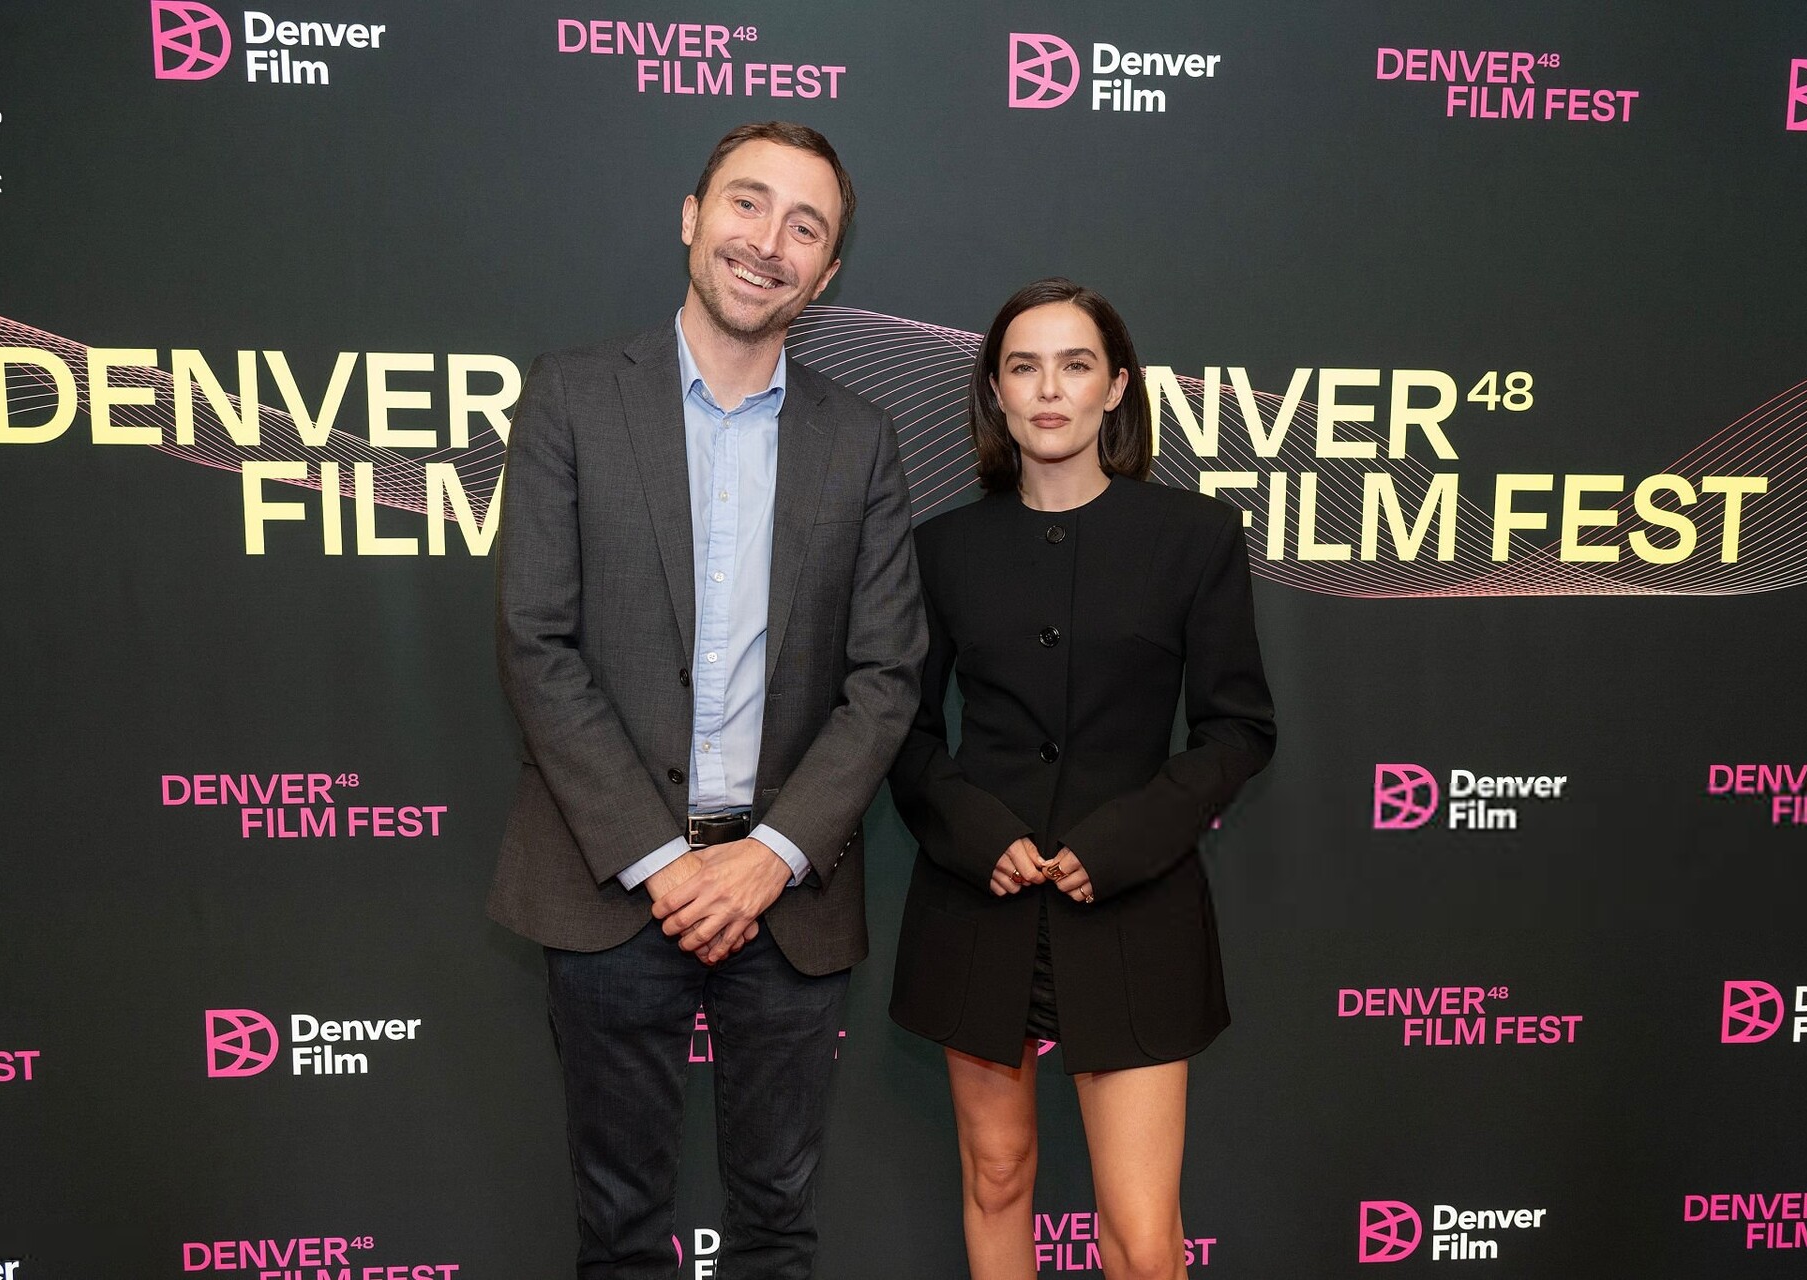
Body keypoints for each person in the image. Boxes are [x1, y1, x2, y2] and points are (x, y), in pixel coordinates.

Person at [488, 121, 925, 1280]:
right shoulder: (573, 396)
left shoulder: (861, 438)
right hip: (611, 884)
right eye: (747, 202)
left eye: (804, 226)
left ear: (826, 273)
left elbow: (886, 673)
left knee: (777, 1227)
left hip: (787, 898)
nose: (768, 241)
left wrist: (769, 855)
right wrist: (663, 860)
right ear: (692, 217)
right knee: (620, 1228)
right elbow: (536, 640)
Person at [887, 278, 1276, 1280]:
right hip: (981, 900)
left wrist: (1123, 841)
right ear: (996, 391)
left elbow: (1238, 728)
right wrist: (977, 834)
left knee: (1142, 1237)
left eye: (1075, 365)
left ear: (1117, 387)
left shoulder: (1194, 537)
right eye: (1024, 366)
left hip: (1134, 903)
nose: (1049, 389)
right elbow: (901, 730)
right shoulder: (941, 550)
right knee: (997, 1174)